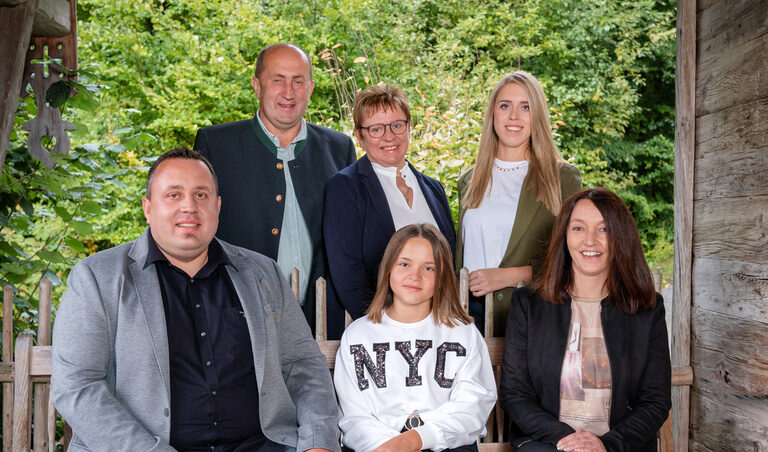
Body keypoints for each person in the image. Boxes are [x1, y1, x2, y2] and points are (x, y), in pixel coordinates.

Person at [41, 148, 365, 452]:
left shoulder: (261, 273)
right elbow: (78, 388)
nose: (188, 207)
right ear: (148, 206)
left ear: (217, 206)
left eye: (200, 195)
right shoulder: (98, 278)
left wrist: (321, 441)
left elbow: (303, 366)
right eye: (173, 194)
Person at [500, 187, 672, 452]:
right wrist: (571, 442)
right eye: (578, 228)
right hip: (543, 451)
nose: (590, 241)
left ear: (619, 237)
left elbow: (655, 400)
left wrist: (604, 446)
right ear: (564, 236)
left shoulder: (646, 310)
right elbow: (515, 395)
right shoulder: (529, 304)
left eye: (603, 230)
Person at [334, 223, 496, 452]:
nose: (415, 276)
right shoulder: (359, 335)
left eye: (429, 268)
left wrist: (414, 442)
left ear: (442, 278)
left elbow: (474, 407)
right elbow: (353, 419)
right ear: (389, 267)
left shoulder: (461, 332)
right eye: (405, 264)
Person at [194, 43, 356, 335]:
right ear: (257, 86)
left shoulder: (339, 148)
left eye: (298, 81)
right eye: (277, 80)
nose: (288, 92)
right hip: (236, 321)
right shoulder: (216, 145)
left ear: (310, 88)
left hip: (320, 326)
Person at [456, 71, 582, 336]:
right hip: (467, 321)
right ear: (493, 114)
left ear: (537, 116)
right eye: (505, 106)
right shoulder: (469, 180)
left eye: (525, 107)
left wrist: (506, 276)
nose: (514, 116)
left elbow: (573, 257)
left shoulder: (563, 178)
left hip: (529, 318)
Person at [324, 84, 456, 327]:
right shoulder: (345, 187)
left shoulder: (434, 189)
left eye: (397, 125)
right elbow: (347, 272)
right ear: (360, 136)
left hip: (437, 326)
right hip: (380, 329)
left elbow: (449, 265)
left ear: (408, 127)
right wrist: (382, 327)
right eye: (376, 129)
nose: (389, 136)